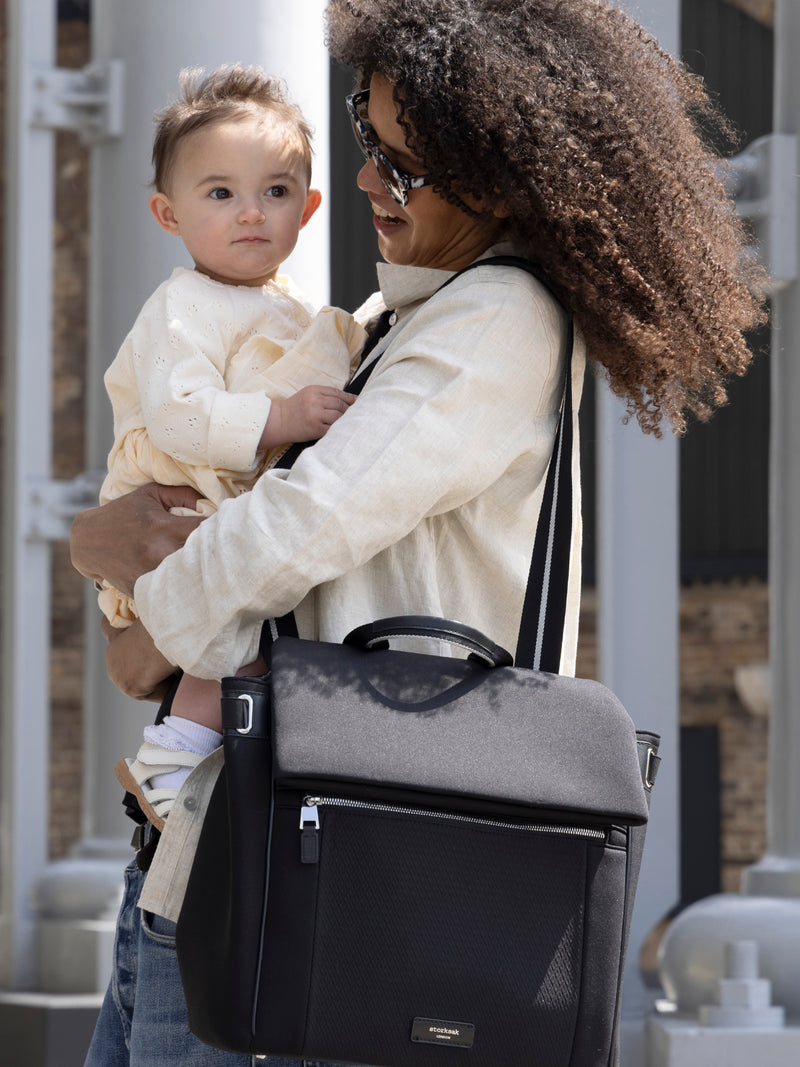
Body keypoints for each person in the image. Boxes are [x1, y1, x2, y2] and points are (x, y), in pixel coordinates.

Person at [71, 2, 765, 1064]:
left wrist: (120, 583)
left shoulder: (495, 322)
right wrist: (118, 553)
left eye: (400, 167)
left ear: (497, 179)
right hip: (214, 856)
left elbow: (292, 527)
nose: (361, 183)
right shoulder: (400, 320)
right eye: (365, 139)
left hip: (300, 890)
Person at [97, 64, 364, 830]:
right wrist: (281, 416)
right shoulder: (182, 306)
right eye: (220, 194)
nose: (252, 213)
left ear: (308, 208)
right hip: (169, 519)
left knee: (253, 644)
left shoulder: (289, 311)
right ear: (167, 213)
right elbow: (181, 419)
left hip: (220, 516)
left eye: (275, 192)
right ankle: (166, 762)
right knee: (232, 632)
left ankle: (204, 771)